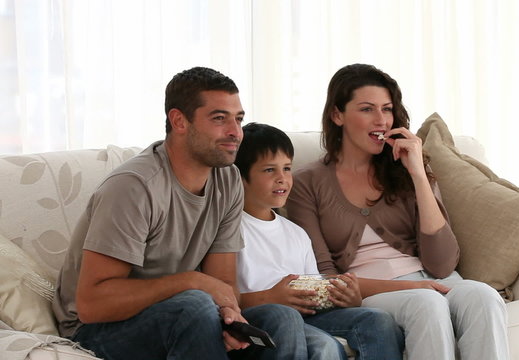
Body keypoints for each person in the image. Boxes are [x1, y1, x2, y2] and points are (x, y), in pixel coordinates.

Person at [52, 66, 320, 360]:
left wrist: (229, 314)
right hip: (97, 329)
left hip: (183, 313)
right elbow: (93, 305)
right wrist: (190, 281)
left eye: (238, 119)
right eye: (220, 119)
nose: (235, 133)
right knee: (194, 304)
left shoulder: (227, 179)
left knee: (282, 318)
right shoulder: (135, 188)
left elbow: (223, 283)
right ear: (179, 121)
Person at [285, 63, 509, 360]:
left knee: (484, 296)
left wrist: (418, 174)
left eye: (387, 109)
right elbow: (322, 275)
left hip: (434, 279)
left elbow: (442, 265)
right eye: (367, 109)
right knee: (426, 303)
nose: (381, 120)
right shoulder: (305, 182)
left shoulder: (407, 169)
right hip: (374, 289)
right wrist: (413, 286)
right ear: (337, 115)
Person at [232, 122, 404, 360]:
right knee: (323, 345)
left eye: (287, 168)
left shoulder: (296, 233)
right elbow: (223, 296)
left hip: (305, 316)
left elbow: (313, 287)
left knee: (378, 320)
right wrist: (272, 297)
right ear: (240, 178)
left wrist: (347, 298)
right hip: (261, 317)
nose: (282, 179)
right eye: (270, 170)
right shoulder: (230, 229)